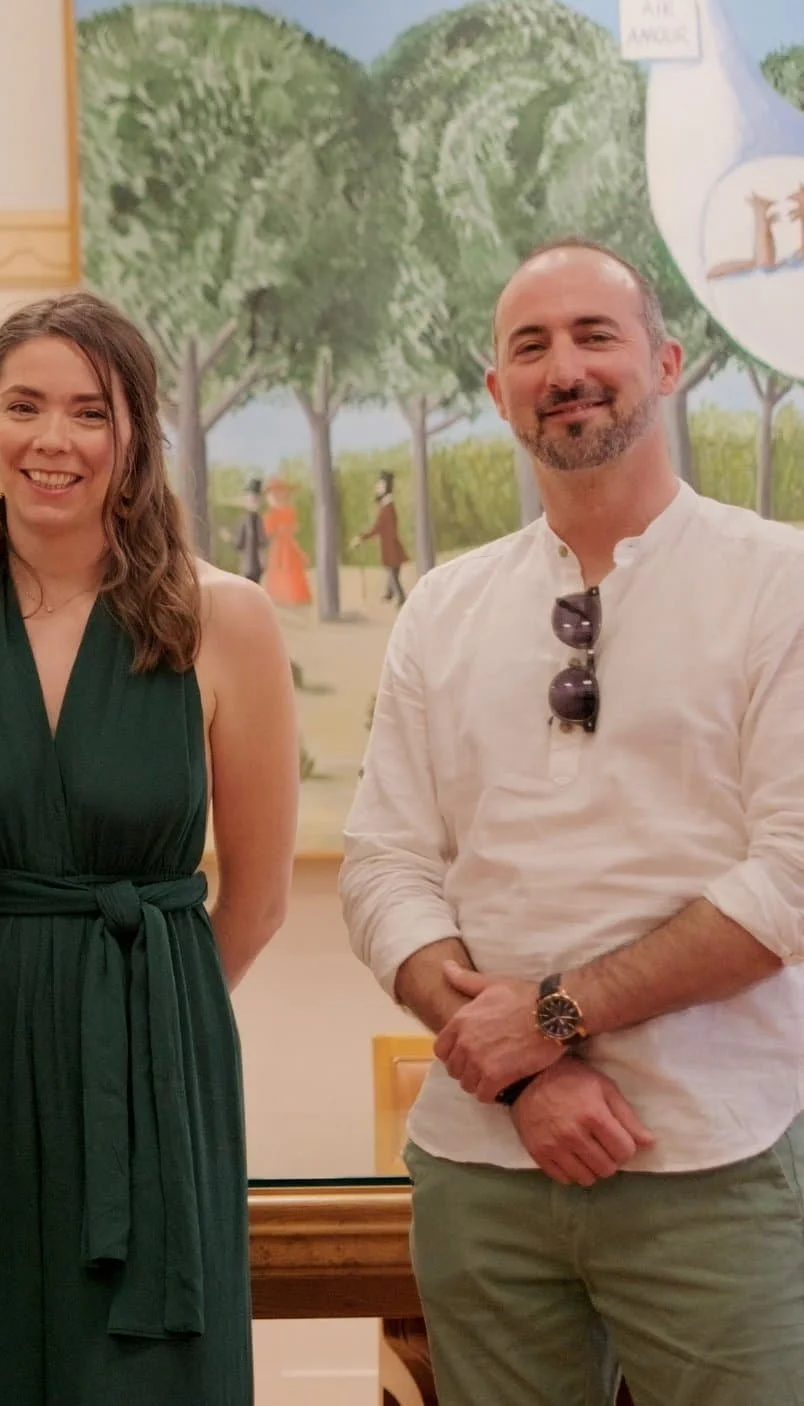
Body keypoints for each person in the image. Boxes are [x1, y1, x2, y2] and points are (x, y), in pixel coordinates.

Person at [343, 239, 804, 1405]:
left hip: (712, 1153)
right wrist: (522, 1079)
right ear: (496, 394)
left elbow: (790, 878)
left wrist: (553, 1015)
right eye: (529, 346)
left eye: (595, 335)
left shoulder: (776, 583)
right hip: (481, 1169)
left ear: (665, 360)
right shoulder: (443, 609)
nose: (565, 368)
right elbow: (384, 869)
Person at [0, 293, 297, 1404]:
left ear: (133, 440)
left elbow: (259, 899)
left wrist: (148, 1017)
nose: (54, 438)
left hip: (150, 1050)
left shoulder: (224, 621)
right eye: (24, 405)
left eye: (90, 411)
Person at [355, 471, 409, 606]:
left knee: (393, 573)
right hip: (391, 545)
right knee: (393, 572)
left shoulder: (387, 508)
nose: (377, 488)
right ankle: (389, 593)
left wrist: (362, 537)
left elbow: (378, 528)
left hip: (391, 546)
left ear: (386, 487)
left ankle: (401, 597)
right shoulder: (387, 506)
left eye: (380, 485)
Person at [261, 477, 311, 606]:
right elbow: (269, 531)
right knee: (278, 568)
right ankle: (278, 596)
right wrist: (280, 530)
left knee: (293, 569)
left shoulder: (290, 511)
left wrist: (290, 529)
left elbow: (293, 527)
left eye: (281, 492)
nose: (278, 496)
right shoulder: (270, 514)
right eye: (274, 493)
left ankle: (296, 596)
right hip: (278, 546)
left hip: (289, 544)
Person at [231, 477, 268, 585]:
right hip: (247, 565)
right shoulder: (243, 521)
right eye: (251, 499)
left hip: (256, 565)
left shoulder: (259, 520)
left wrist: (263, 560)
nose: (254, 502)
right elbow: (239, 543)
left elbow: (262, 542)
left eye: (256, 499)